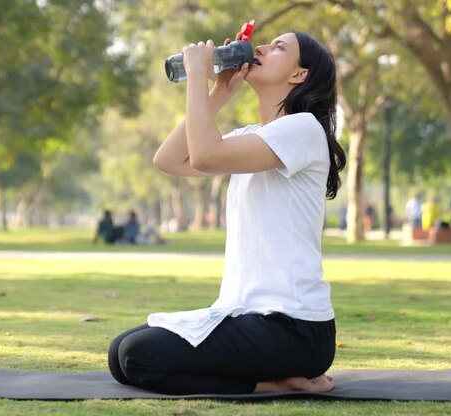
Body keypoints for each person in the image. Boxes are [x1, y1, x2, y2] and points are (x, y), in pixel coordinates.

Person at [108, 29, 346, 395]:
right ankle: (278, 379)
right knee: (120, 354)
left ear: (299, 75)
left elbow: (205, 154)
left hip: (293, 327)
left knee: (141, 356)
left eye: (279, 47)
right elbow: (170, 160)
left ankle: (272, 385)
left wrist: (196, 75)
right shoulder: (256, 136)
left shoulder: (302, 129)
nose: (262, 47)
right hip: (247, 315)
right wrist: (217, 92)